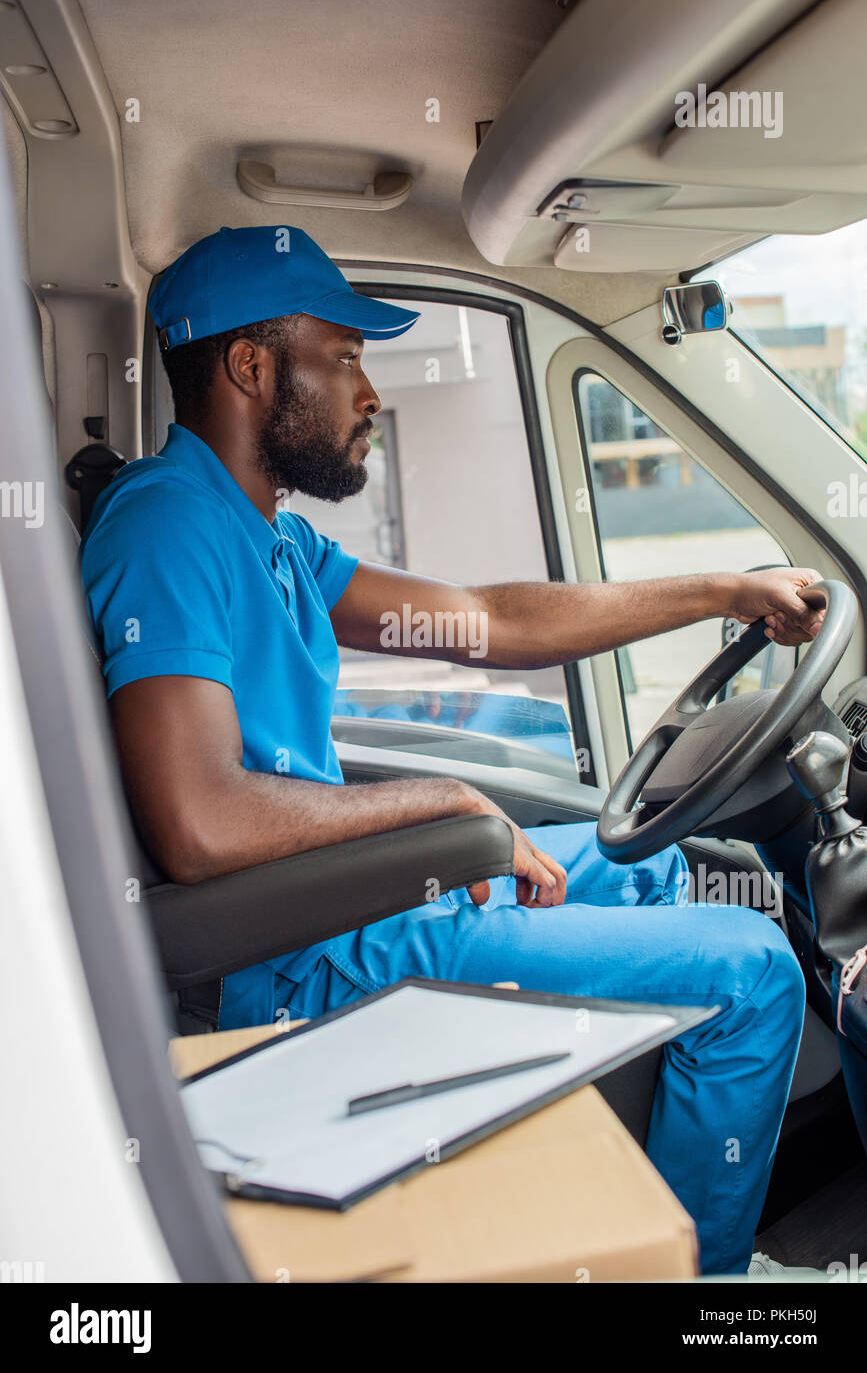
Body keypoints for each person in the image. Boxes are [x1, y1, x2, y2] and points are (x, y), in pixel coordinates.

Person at [80, 224, 824, 1276]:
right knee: (752, 969)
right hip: (306, 958)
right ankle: (705, 1291)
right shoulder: (166, 528)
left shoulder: (272, 537)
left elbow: (486, 617)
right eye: (342, 358)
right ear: (251, 367)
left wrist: (724, 588)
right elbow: (201, 822)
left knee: (670, 865)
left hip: (362, 903)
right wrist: (446, 809)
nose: (368, 393)